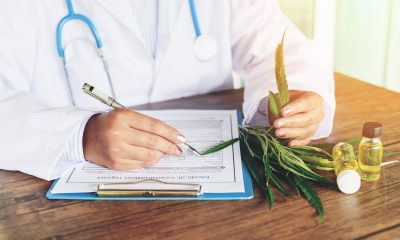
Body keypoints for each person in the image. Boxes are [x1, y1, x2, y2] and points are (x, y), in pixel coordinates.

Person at [0, 0, 335, 180]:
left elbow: (279, 47)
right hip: (76, 208)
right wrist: (80, 135)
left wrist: (296, 95)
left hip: (210, 204)